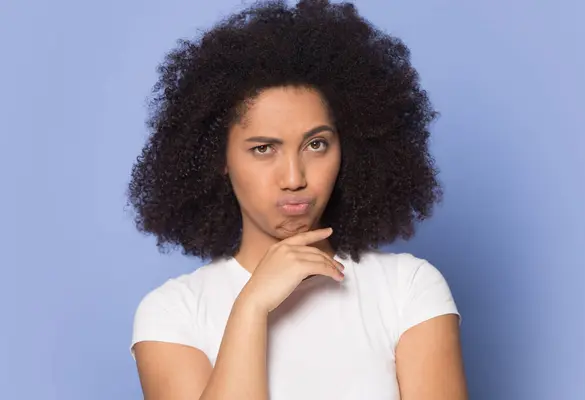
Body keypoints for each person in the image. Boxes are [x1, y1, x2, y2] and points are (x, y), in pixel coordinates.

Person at [127, 0, 468, 399]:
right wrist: (250, 307)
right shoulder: (174, 312)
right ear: (218, 158)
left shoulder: (406, 289)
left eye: (316, 144)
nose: (294, 178)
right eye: (263, 149)